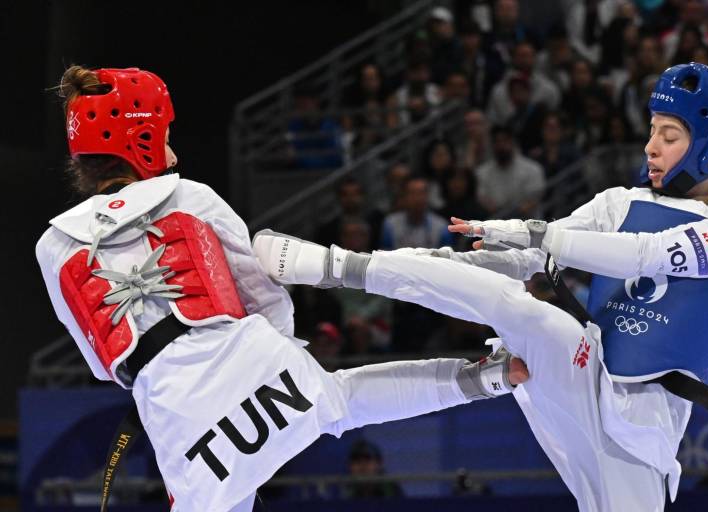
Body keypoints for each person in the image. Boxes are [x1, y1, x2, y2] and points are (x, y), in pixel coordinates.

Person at [254, 62, 708, 511]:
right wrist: (448, 257)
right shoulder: (618, 202)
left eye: (669, 135)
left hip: (641, 442)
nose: (650, 146)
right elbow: (533, 259)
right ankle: (333, 264)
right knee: (523, 311)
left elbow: (646, 253)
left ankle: (491, 373)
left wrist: (534, 233)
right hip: (580, 374)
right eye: (652, 130)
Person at [35, 66, 530, 512]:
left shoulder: (53, 246)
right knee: (340, 400)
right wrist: (275, 353)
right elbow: (262, 291)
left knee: (225, 493)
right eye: (164, 136)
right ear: (138, 138)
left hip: (171, 402)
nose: (173, 151)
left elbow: (105, 364)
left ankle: (485, 378)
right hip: (238, 349)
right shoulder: (190, 197)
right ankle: (486, 377)